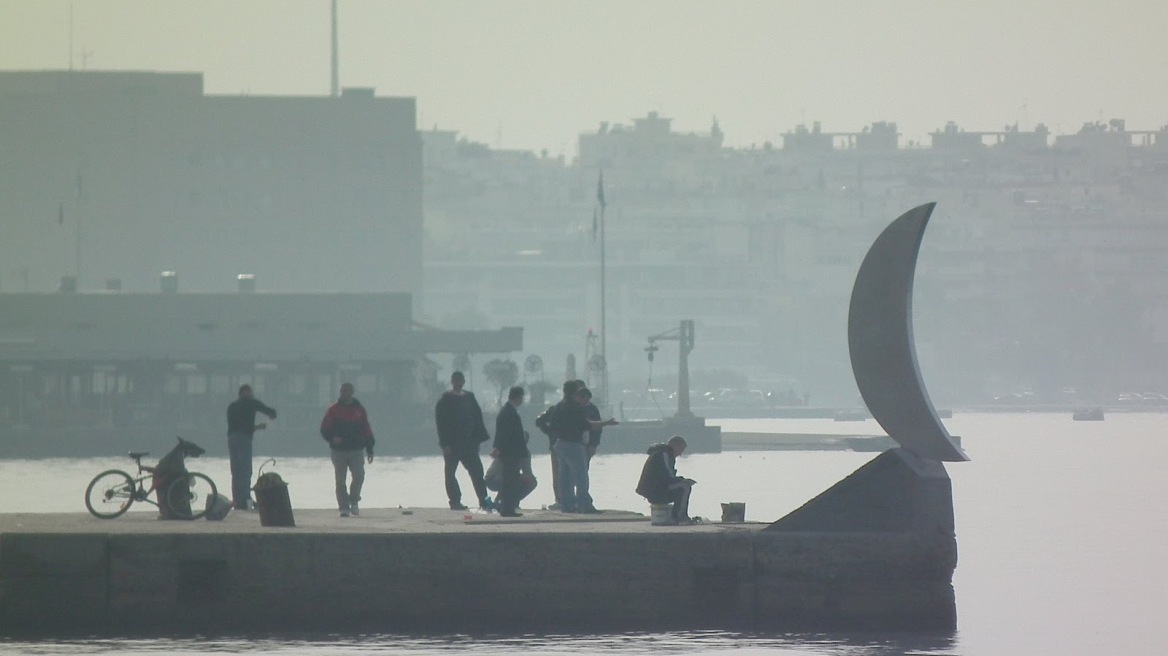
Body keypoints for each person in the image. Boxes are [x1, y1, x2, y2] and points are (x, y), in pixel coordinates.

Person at [435, 370, 494, 511]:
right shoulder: (445, 400)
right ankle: (455, 501)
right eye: (455, 381)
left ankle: (484, 501)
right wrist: (445, 444)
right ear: (452, 382)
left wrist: (479, 440)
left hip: (469, 445)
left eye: (460, 381)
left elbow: (477, 419)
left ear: (463, 382)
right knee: (450, 474)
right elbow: (441, 424)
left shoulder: (469, 398)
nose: (458, 383)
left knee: (477, 472)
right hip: (452, 445)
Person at [553, 385, 617, 514]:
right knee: (581, 477)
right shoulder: (576, 407)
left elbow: (551, 424)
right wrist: (606, 423)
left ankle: (567, 505)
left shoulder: (559, 406)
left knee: (564, 478)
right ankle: (584, 505)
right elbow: (585, 424)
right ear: (574, 394)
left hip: (560, 444)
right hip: (574, 445)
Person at [320, 382, 375, 517]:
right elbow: (324, 429)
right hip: (338, 451)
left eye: (346, 391)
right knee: (340, 480)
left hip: (356, 450)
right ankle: (343, 507)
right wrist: (332, 438)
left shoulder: (359, 410)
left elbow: (366, 429)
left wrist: (370, 449)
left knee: (359, 476)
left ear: (351, 392)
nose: (343, 393)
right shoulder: (333, 410)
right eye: (342, 391)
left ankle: (354, 500)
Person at [534, 379, 585, 510]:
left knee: (564, 475)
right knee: (568, 475)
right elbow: (539, 421)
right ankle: (564, 500)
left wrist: (552, 434)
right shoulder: (564, 408)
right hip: (567, 445)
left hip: (561, 445)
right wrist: (552, 434)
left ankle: (566, 501)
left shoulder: (559, 407)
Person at [225, 384, 277, 511]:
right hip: (244, 439)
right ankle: (245, 500)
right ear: (247, 392)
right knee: (245, 471)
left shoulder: (231, 406)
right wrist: (269, 417)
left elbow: (236, 426)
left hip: (232, 439)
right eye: (251, 392)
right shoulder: (251, 402)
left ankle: (237, 501)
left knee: (236, 471)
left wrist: (255, 427)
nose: (252, 395)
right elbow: (269, 411)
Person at [490, 385, 535, 517]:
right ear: (518, 397)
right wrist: (500, 448)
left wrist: (497, 447)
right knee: (510, 481)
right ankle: (507, 509)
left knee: (510, 480)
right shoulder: (509, 412)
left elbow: (500, 434)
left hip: (508, 452)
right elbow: (506, 434)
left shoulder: (506, 411)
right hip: (510, 453)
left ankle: (507, 507)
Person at [635, 435, 696, 524]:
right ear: (674, 445)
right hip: (654, 491)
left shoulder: (666, 454)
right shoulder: (664, 454)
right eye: (681, 449)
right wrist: (683, 481)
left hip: (658, 488)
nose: (680, 453)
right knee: (685, 487)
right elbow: (668, 476)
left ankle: (678, 516)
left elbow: (667, 477)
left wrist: (680, 480)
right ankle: (680, 517)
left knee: (683, 486)